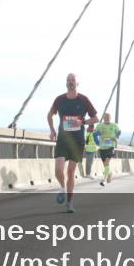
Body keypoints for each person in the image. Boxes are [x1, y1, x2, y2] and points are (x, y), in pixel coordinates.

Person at [47, 74, 98, 213]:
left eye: (73, 80)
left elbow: (95, 118)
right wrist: (52, 130)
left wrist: (83, 122)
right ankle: (62, 188)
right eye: (68, 81)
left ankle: (69, 203)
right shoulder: (60, 99)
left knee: (70, 171)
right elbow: (49, 115)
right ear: (66, 83)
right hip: (63, 140)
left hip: (77, 141)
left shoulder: (83, 99)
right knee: (58, 169)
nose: (70, 82)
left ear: (77, 83)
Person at [95, 113, 121, 186]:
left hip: (110, 146)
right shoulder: (99, 125)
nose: (107, 118)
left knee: (106, 162)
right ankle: (109, 173)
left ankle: (104, 180)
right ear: (103, 118)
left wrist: (116, 139)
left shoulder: (114, 125)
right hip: (102, 147)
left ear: (110, 118)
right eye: (105, 117)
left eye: (108, 117)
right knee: (105, 165)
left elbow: (118, 133)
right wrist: (97, 141)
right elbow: (95, 134)